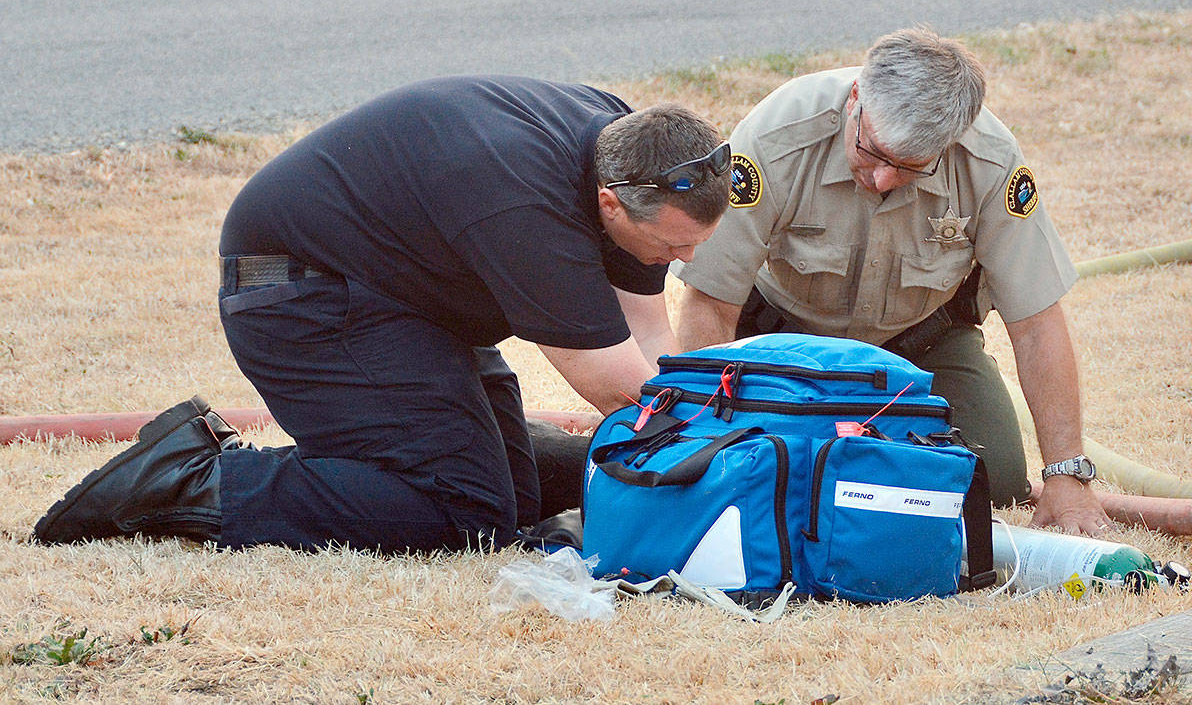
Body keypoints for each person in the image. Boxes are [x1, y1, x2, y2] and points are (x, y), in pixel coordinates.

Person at [34, 75, 731, 553]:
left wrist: (704, 416)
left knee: (510, 498)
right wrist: (709, 451)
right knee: (465, 509)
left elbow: (650, 335)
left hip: (403, 295)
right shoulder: (527, 206)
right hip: (302, 295)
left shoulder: (634, 150)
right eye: (675, 244)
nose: (684, 255)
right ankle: (190, 479)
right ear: (613, 204)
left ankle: (504, 462)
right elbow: (612, 383)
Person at [671, 28, 1111, 536]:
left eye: (909, 167)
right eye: (873, 151)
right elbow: (710, 302)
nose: (882, 179)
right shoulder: (776, 137)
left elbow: (1036, 323)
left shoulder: (989, 161)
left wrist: (1066, 477)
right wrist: (708, 436)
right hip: (781, 339)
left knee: (999, 479)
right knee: (768, 468)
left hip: (919, 343)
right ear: (856, 99)